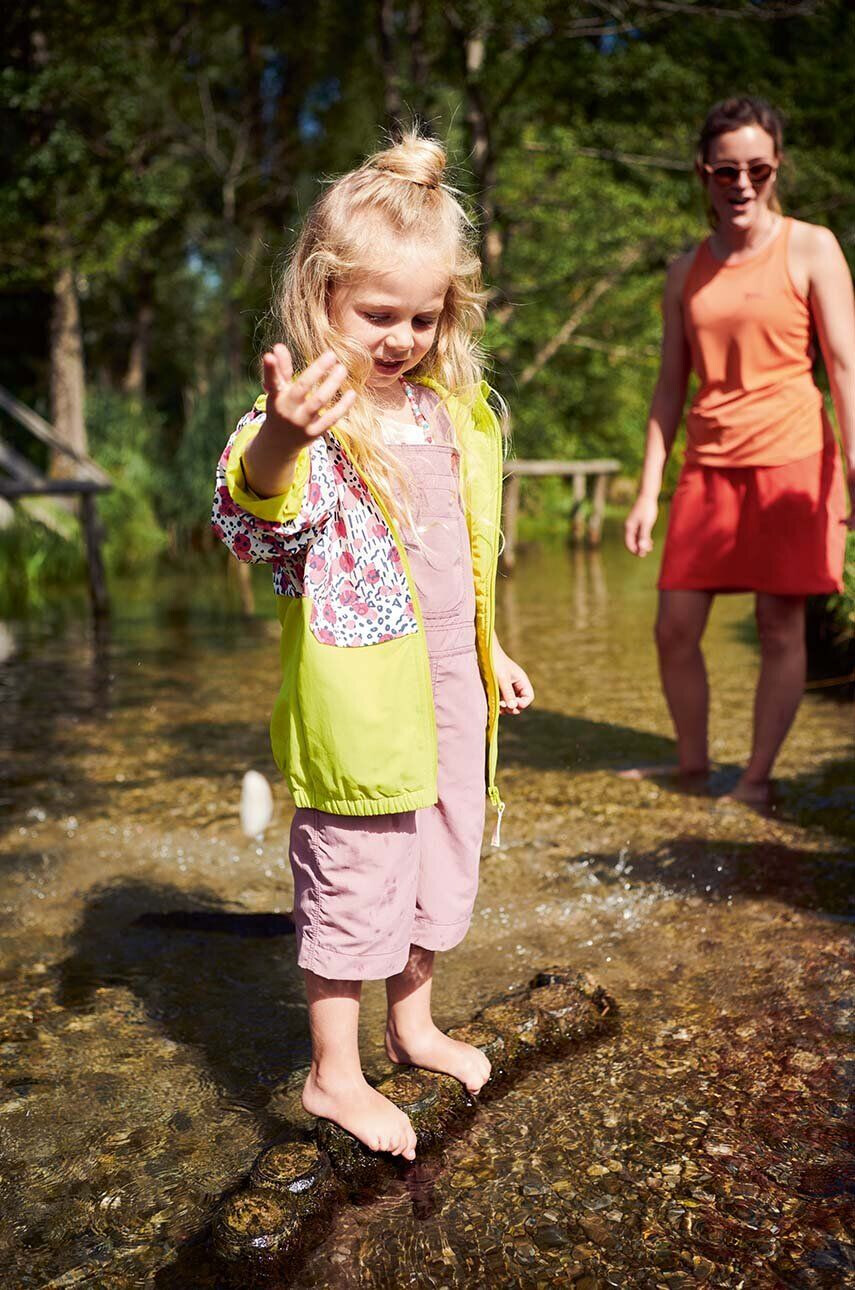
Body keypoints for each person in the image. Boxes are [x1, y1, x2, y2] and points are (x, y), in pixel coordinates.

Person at [212, 134, 533, 1161]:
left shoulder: (452, 414)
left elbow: (463, 557)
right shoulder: (310, 417)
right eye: (377, 315)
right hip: (360, 703)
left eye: (423, 318)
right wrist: (282, 440)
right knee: (356, 871)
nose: (401, 338)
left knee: (443, 857)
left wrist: (495, 651)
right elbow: (250, 510)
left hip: (453, 686)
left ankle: (415, 1025)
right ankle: (332, 1074)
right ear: (321, 296)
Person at [624, 96, 854, 805]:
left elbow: (843, 365)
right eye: (726, 171)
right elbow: (668, 388)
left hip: (792, 455)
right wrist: (646, 487)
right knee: (673, 625)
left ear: (776, 166)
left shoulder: (810, 246)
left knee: (778, 624)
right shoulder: (683, 270)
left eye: (756, 168)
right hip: (709, 462)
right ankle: (691, 765)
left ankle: (754, 779)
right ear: (704, 173)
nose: (741, 183)